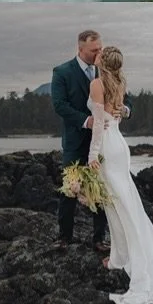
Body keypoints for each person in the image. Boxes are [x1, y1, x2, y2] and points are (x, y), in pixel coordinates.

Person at [86, 45, 153, 304]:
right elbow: (115, 114)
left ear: (103, 61)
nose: (97, 53)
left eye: (100, 52)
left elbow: (99, 123)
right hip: (120, 145)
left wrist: (93, 155)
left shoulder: (97, 84)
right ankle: (119, 257)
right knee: (118, 205)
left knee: (121, 207)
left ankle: (135, 264)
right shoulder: (119, 82)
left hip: (108, 147)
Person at [50, 29, 113, 253]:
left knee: (100, 188)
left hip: (102, 142)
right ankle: (64, 237)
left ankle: (99, 239)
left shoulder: (106, 71)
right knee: (70, 188)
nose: (99, 53)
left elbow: (125, 97)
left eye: (100, 48)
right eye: (94, 50)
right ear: (80, 48)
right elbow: (59, 105)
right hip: (75, 140)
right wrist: (86, 121)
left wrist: (124, 110)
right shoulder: (62, 72)